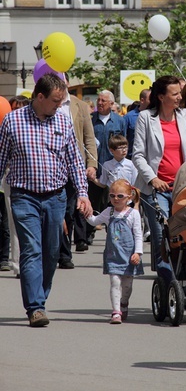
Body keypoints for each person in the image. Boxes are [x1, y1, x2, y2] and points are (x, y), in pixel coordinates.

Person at [0, 74, 93, 327]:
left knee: (51, 253)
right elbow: (1, 158)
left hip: (55, 197)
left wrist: (83, 193)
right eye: (55, 100)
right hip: (24, 196)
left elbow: (74, 161)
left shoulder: (62, 122)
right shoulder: (12, 121)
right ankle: (36, 307)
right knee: (32, 250)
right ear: (39, 97)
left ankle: (39, 297)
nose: (58, 105)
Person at [132, 75, 186, 281]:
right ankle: (167, 283)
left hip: (183, 187)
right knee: (162, 236)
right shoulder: (146, 118)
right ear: (161, 97)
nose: (178, 98)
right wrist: (152, 178)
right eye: (174, 94)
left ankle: (183, 278)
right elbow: (137, 155)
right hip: (155, 189)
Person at [86, 179, 143, 324]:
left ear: (129, 197)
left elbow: (138, 234)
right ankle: (116, 312)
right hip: (113, 255)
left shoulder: (133, 214)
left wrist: (138, 253)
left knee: (127, 286)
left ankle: (124, 303)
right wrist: (86, 212)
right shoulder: (108, 212)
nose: (115, 199)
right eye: (112, 196)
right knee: (115, 282)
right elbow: (94, 221)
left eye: (120, 196)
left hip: (129, 256)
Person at [58, 76, 98, 265]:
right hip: (52, 165)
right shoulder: (44, 102)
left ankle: (65, 255)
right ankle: (57, 250)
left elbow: (89, 138)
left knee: (68, 209)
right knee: (56, 210)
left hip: (75, 165)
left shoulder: (80, 106)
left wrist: (92, 164)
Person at [2, 95, 30, 278]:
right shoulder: (7, 127)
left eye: (21, 108)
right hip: (12, 181)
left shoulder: (35, 128)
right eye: (14, 108)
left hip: (36, 183)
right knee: (14, 224)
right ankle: (18, 263)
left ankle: (32, 261)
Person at [89, 90, 126, 217]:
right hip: (95, 169)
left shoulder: (119, 121)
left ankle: (112, 232)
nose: (99, 103)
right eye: (98, 100)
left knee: (113, 205)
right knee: (93, 204)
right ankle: (89, 233)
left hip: (113, 170)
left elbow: (123, 143)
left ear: (111, 104)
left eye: (103, 101)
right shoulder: (90, 120)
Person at [123, 88, 151, 160]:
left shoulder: (156, 116)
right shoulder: (128, 117)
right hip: (133, 159)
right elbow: (123, 138)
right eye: (150, 99)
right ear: (142, 100)